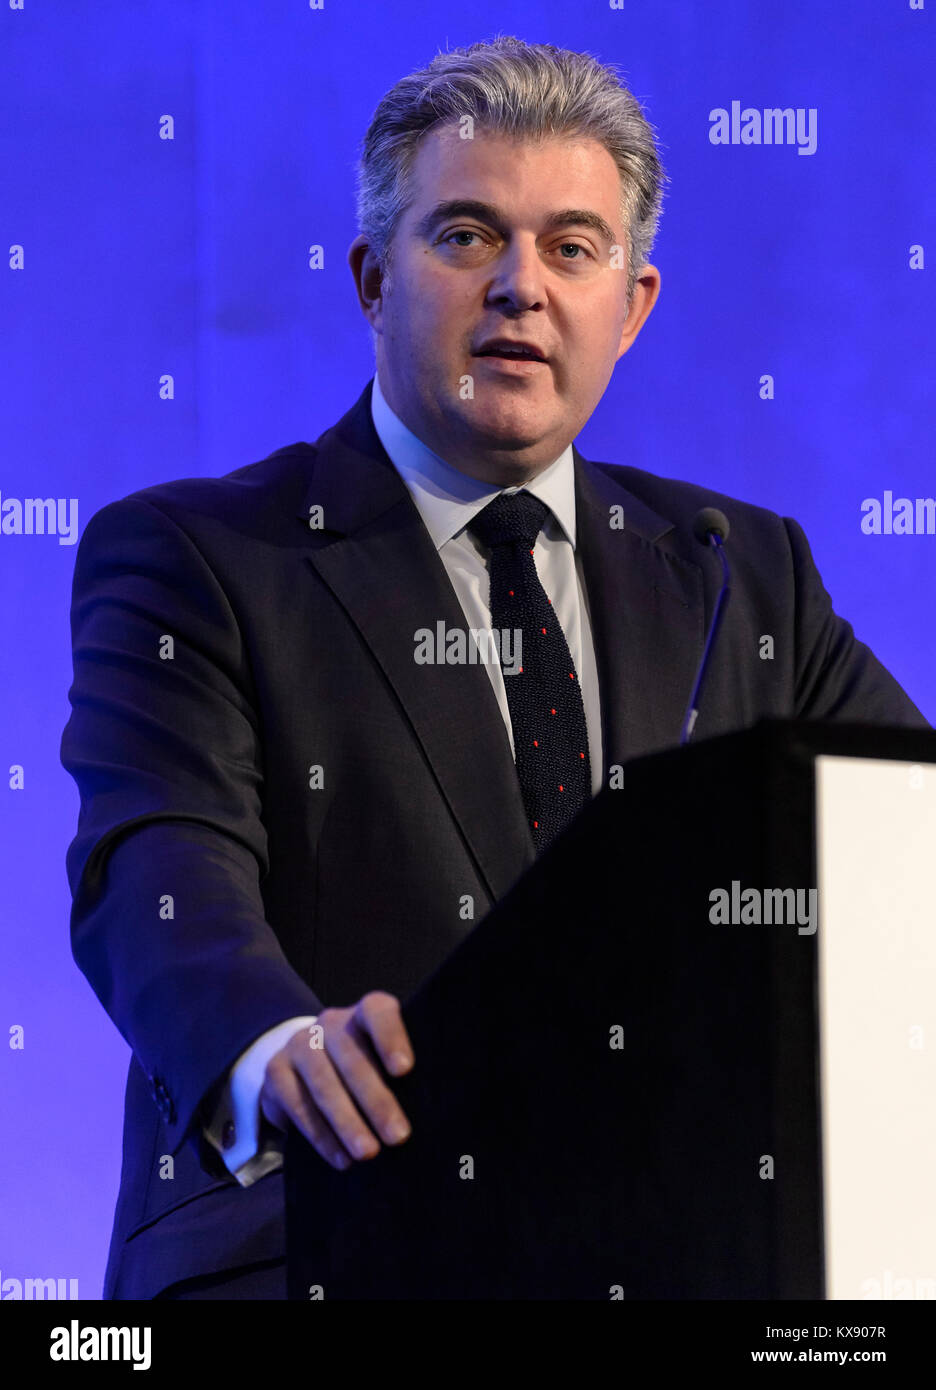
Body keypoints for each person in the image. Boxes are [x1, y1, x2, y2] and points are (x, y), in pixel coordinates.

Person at [60, 35, 929, 1301]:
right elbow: (156, 866)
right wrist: (278, 1047)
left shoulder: (741, 573)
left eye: (572, 247)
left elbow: (905, 840)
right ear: (371, 279)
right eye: (466, 235)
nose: (522, 285)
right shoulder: (201, 556)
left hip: (682, 1262)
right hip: (321, 1243)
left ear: (631, 305)